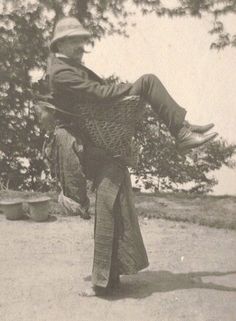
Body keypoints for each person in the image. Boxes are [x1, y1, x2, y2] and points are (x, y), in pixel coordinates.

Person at [42, 16, 218, 296]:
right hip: (86, 146)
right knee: (147, 82)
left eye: (83, 41)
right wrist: (130, 92)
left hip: (97, 142)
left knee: (113, 207)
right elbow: (98, 94)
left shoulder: (67, 67)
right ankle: (181, 132)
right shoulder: (62, 71)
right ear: (61, 42)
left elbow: (94, 96)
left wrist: (128, 94)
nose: (82, 46)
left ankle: (108, 281)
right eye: (77, 41)